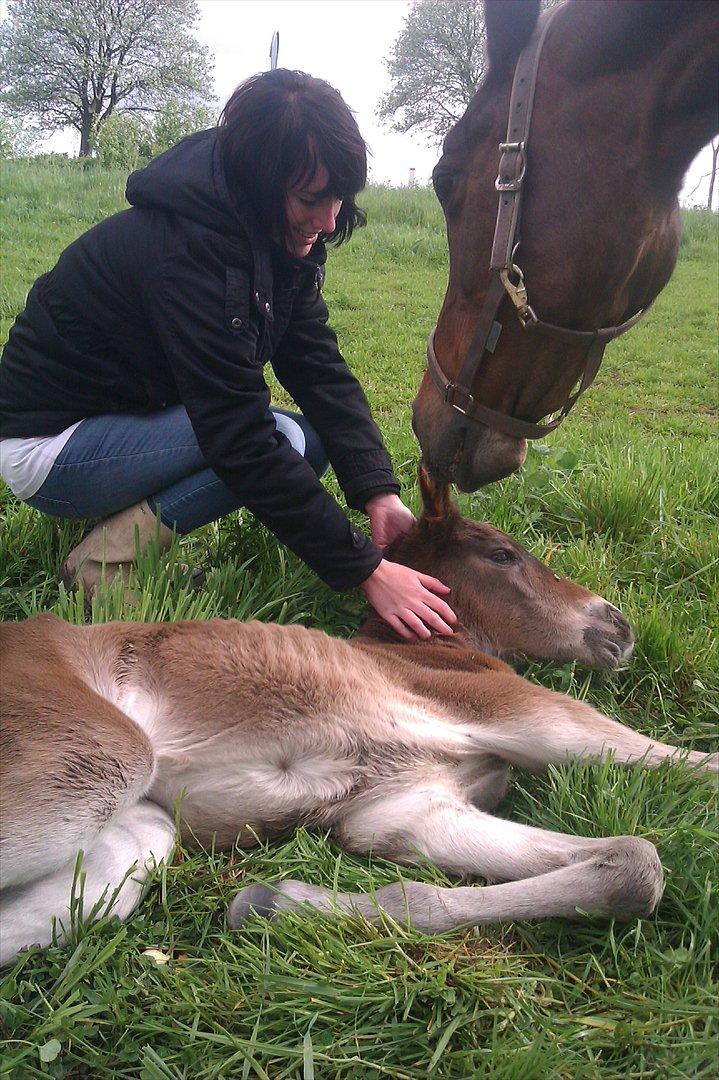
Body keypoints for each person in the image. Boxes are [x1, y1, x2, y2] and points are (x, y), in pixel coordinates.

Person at [0, 69, 456, 641]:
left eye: (340, 195)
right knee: (275, 441)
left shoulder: (267, 234)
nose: (330, 219)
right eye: (312, 199)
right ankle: (99, 564)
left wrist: (376, 491)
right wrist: (363, 569)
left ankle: (119, 538)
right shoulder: (188, 254)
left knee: (302, 441)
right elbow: (236, 436)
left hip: (118, 421)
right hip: (51, 450)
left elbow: (317, 366)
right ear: (262, 183)